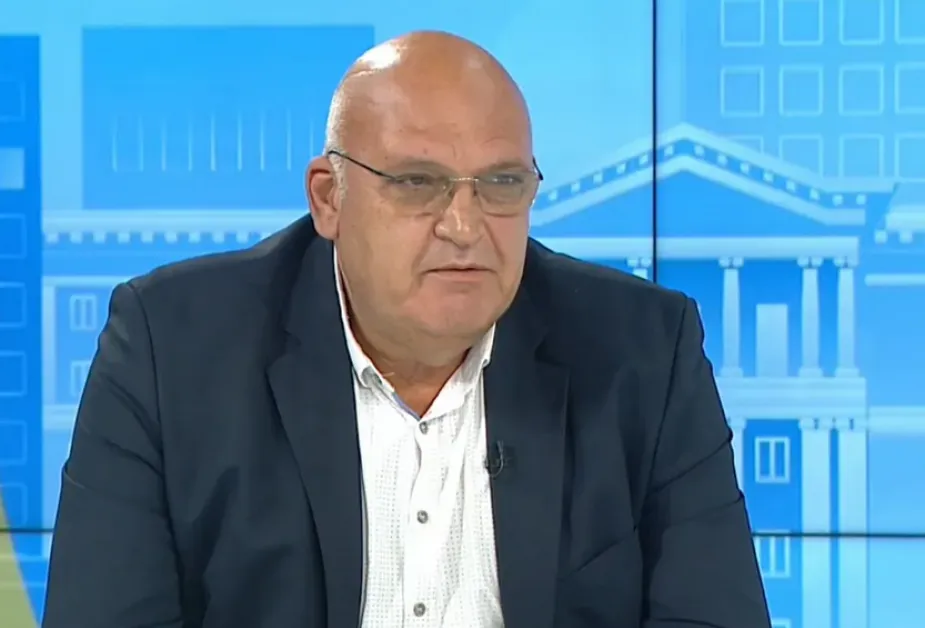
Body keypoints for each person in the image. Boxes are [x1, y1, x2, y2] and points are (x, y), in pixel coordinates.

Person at [43, 31, 771, 628]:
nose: (464, 226)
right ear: (329, 199)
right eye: (418, 183)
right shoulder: (172, 350)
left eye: (501, 184)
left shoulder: (644, 351)